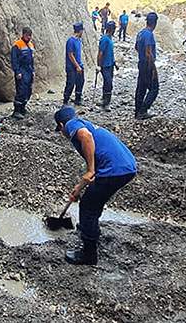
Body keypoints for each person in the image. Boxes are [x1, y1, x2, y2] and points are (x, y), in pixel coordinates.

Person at [54, 106, 137, 265]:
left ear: (62, 125)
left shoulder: (72, 124)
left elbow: (86, 136)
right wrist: (79, 188)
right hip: (127, 166)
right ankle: (92, 230)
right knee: (94, 200)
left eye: (60, 130)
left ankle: (89, 255)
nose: (62, 134)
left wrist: (91, 169)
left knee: (87, 207)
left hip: (115, 169)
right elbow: (90, 175)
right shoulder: (85, 123)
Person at [134, 12, 159, 120]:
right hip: (147, 65)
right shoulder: (149, 34)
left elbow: (136, 47)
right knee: (154, 88)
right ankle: (143, 110)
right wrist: (153, 68)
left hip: (141, 63)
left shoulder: (140, 33)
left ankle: (137, 110)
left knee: (141, 88)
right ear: (155, 23)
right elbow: (149, 53)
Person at [10, 27, 35, 119]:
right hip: (21, 70)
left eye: (30, 36)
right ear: (23, 35)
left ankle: (23, 108)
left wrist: (33, 71)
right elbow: (14, 60)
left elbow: (32, 60)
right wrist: (17, 71)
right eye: (28, 36)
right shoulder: (17, 45)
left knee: (28, 90)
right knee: (21, 90)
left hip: (28, 70)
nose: (29, 38)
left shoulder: (31, 45)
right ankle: (17, 111)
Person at [97, 21, 117, 111]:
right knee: (108, 83)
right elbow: (100, 53)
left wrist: (115, 63)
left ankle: (105, 100)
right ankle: (106, 103)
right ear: (111, 29)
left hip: (110, 65)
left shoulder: (110, 38)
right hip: (105, 66)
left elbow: (110, 53)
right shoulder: (105, 39)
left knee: (108, 83)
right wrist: (99, 65)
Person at [64, 22, 85, 106]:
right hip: (71, 67)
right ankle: (65, 100)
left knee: (81, 82)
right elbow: (70, 55)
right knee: (70, 83)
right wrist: (77, 66)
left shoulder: (79, 40)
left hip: (79, 65)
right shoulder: (70, 41)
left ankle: (78, 99)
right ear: (80, 31)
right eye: (82, 31)